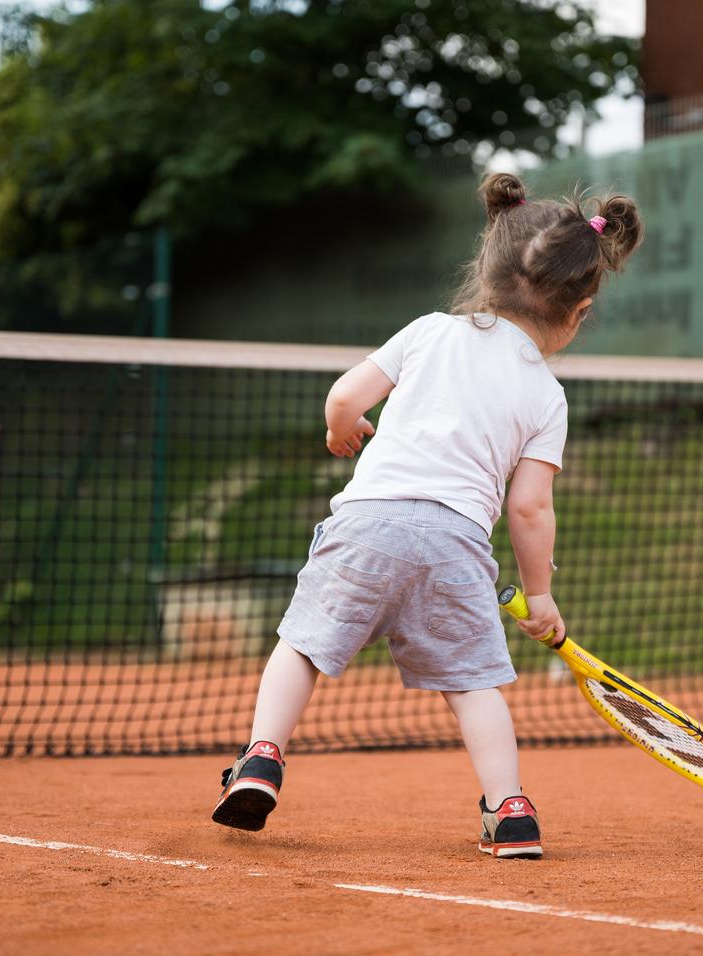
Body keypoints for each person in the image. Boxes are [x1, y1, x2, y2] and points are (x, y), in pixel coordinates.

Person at [212, 172, 643, 858]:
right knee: (474, 686)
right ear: (579, 309)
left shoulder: (426, 333)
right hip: (455, 545)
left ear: (489, 268)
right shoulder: (546, 395)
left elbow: (344, 399)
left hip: (366, 527)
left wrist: (341, 432)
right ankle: (511, 811)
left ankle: (262, 758)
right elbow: (528, 507)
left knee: (301, 647)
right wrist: (541, 593)